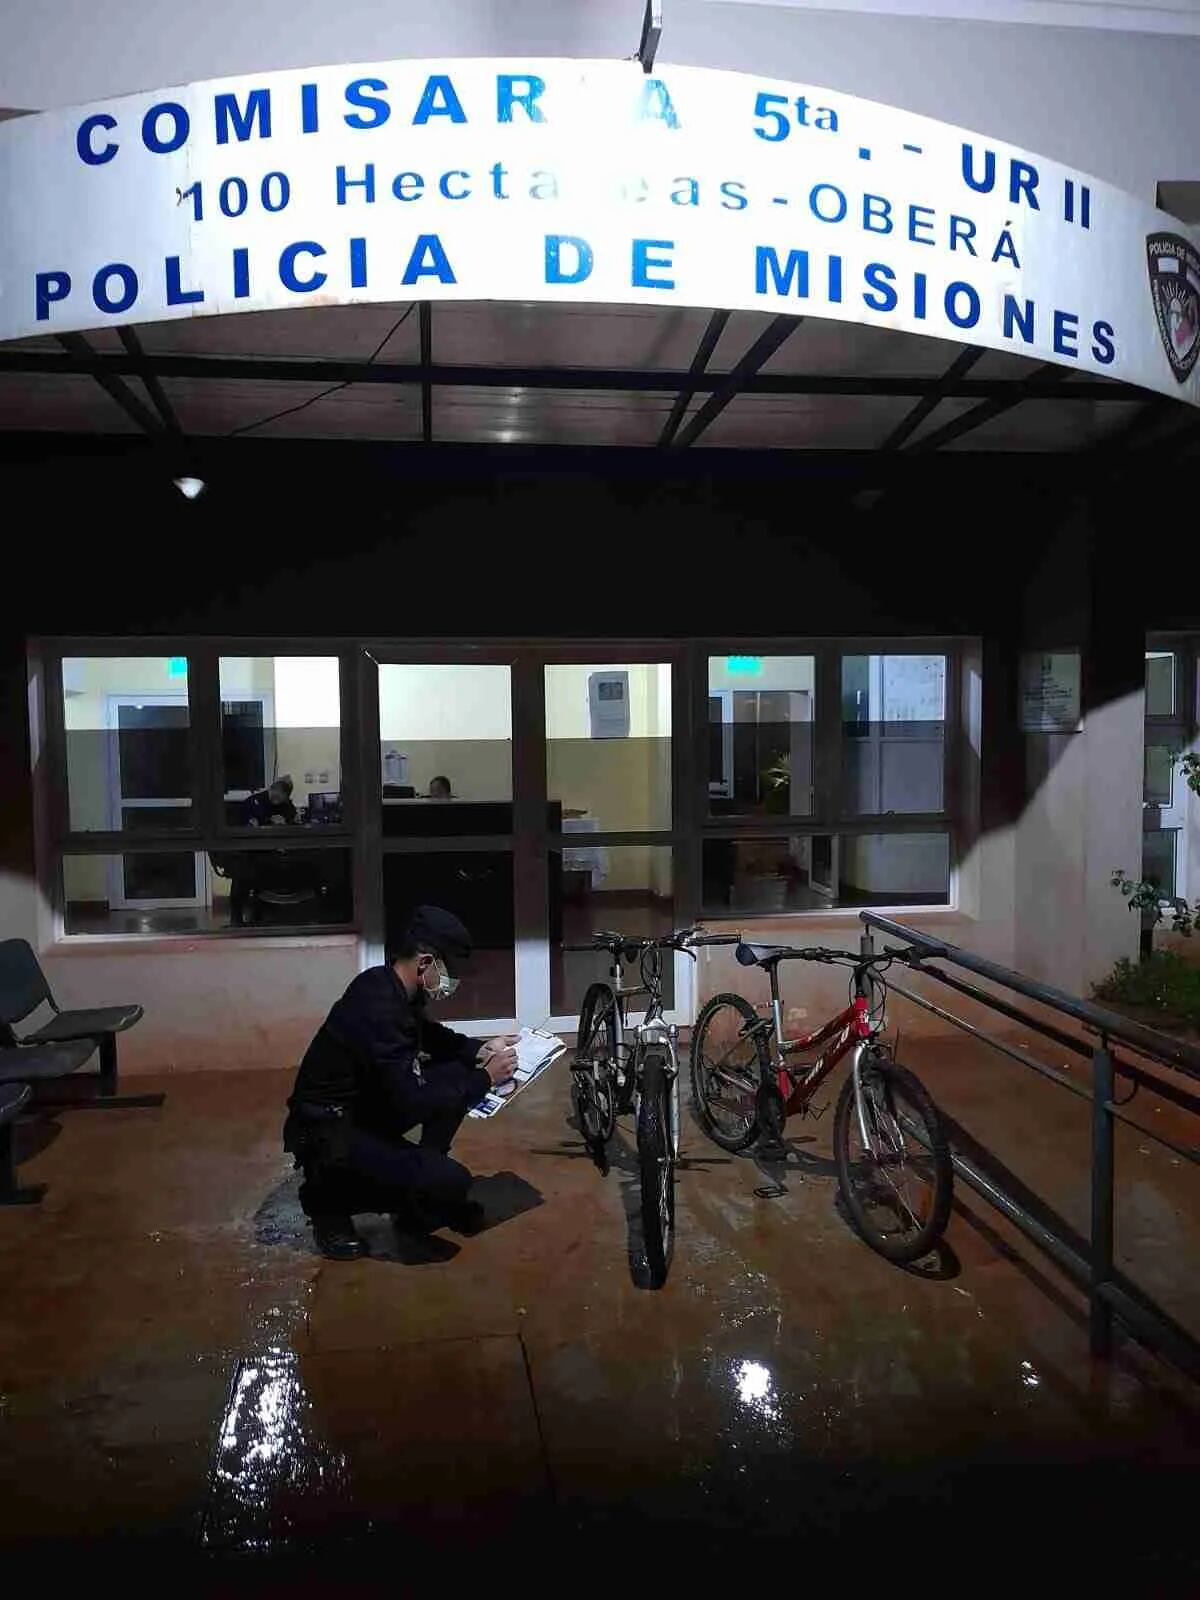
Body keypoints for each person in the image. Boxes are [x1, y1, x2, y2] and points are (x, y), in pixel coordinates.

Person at [283, 905, 517, 1260]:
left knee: (453, 1077)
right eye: (450, 968)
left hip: (361, 1109)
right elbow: (412, 1100)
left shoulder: (390, 986)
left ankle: (419, 1192)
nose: (455, 978)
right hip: (326, 1130)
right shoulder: (379, 1005)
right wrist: (485, 1077)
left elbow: (429, 1036)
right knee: (451, 1180)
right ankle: (327, 1203)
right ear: (425, 964)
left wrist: (478, 1051)